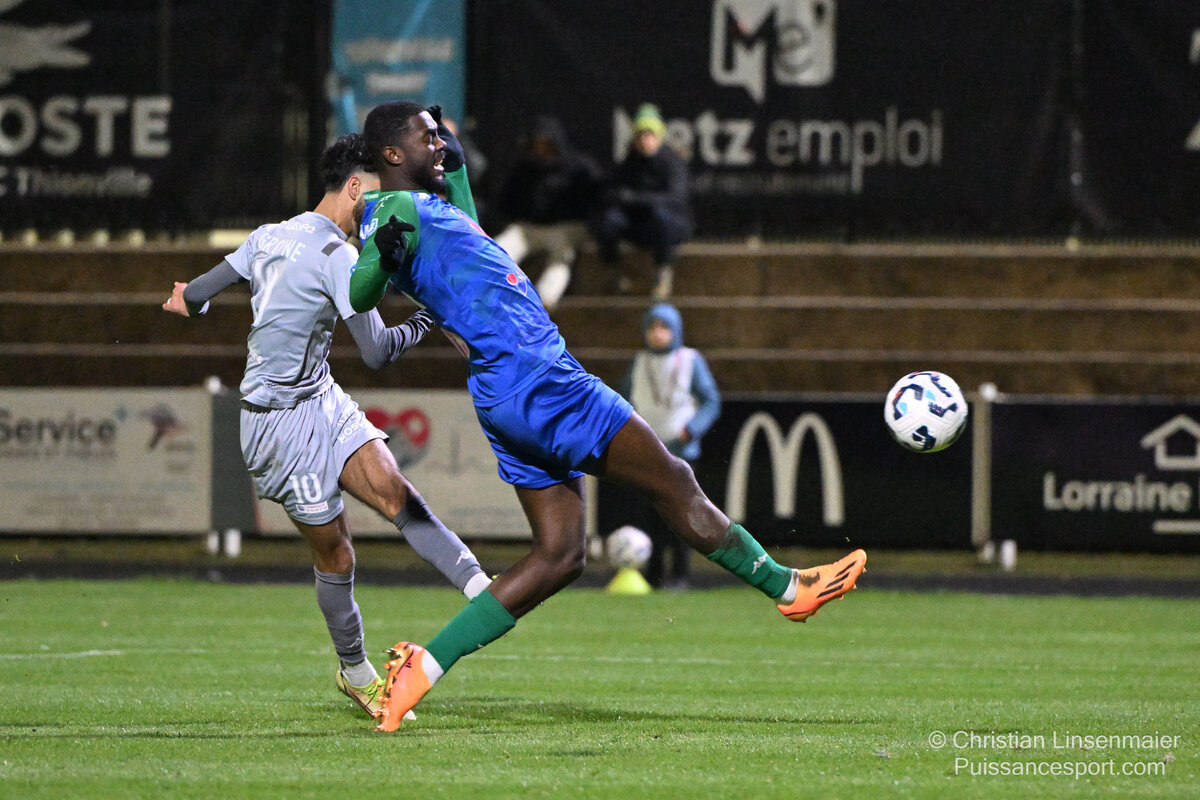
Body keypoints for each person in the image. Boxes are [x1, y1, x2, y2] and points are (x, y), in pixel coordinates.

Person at [347, 101, 866, 732]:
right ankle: (789, 589)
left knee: (561, 555)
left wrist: (452, 169)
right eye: (426, 136)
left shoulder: (421, 208)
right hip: (541, 379)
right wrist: (381, 254)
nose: (438, 140)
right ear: (391, 154)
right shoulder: (393, 212)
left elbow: (469, 242)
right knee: (673, 480)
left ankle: (421, 669)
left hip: (504, 391)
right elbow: (360, 291)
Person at [161, 133, 492, 721]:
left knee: (396, 493)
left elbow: (200, 293)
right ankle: (356, 673)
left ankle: (482, 591)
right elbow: (378, 352)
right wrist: (428, 319)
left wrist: (191, 300)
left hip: (320, 397)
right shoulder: (339, 256)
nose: (380, 209)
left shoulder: (268, 236)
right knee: (337, 554)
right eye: (377, 196)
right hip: (276, 429)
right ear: (355, 186)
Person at [616, 302, 720, 590]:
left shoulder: (690, 360)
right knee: (650, 515)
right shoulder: (640, 362)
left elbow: (711, 400)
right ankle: (654, 573)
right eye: (652, 327)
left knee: (683, 514)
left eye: (664, 327)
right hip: (647, 451)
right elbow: (623, 399)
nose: (658, 333)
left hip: (681, 450)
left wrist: (692, 429)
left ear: (676, 330)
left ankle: (680, 574)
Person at [492, 115, 602, 312]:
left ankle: (543, 303)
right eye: (538, 144)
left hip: (564, 229)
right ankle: (488, 294)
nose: (541, 149)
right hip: (529, 229)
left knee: (561, 257)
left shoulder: (578, 167)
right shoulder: (524, 168)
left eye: (546, 144)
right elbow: (505, 202)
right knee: (499, 248)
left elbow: (598, 197)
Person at [593, 103, 692, 299]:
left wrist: (636, 199)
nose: (644, 140)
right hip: (635, 224)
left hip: (665, 225)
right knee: (608, 220)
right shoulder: (629, 162)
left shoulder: (672, 163)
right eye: (640, 135)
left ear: (659, 136)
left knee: (661, 217)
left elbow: (675, 198)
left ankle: (662, 273)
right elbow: (613, 191)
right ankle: (614, 274)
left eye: (649, 134)